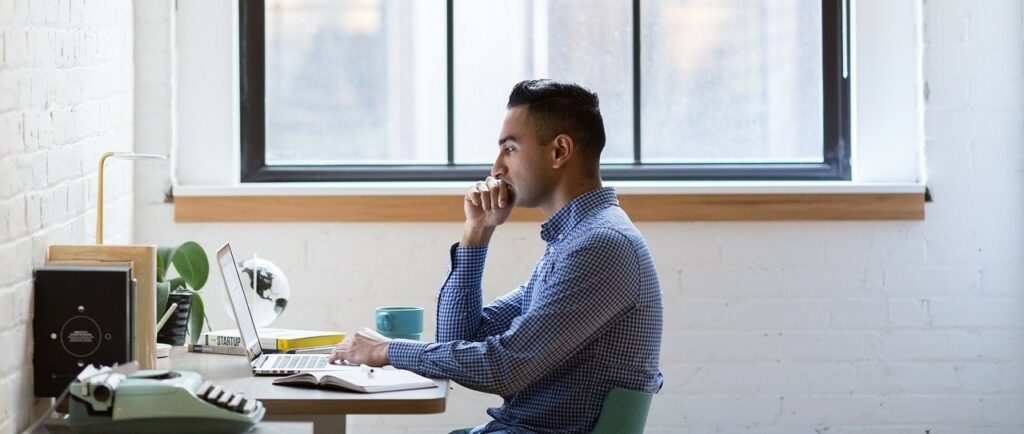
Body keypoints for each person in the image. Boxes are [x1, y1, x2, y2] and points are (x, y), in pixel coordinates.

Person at [330, 79, 663, 433]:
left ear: (559, 151)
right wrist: (477, 233)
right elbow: (458, 340)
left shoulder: (600, 246)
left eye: (510, 149)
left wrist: (387, 350)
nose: (496, 169)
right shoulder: (572, 241)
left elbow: (505, 368)